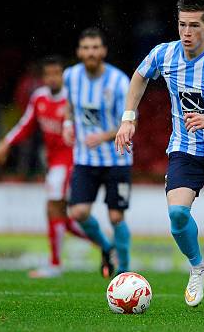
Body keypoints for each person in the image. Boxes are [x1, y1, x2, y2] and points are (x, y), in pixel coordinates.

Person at [115, 0, 204, 313]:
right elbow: (139, 76)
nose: (186, 32)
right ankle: (197, 267)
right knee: (177, 214)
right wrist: (128, 118)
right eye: (182, 25)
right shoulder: (165, 54)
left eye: (193, 26)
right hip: (184, 149)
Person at [0, 56, 87, 278]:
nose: (52, 78)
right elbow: (26, 124)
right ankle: (105, 244)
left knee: (54, 208)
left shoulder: (73, 99)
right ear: (43, 77)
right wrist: (5, 144)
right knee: (63, 214)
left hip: (71, 160)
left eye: (56, 73)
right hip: (53, 162)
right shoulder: (39, 98)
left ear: (64, 76)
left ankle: (55, 264)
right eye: (48, 74)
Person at [62, 28, 133, 278]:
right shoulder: (70, 76)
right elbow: (69, 108)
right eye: (86, 48)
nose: (90, 52)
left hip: (117, 157)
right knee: (78, 212)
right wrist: (67, 125)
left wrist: (103, 136)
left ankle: (124, 271)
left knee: (116, 216)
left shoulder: (119, 82)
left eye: (95, 47)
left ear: (103, 51)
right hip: (85, 159)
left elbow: (130, 121)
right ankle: (107, 247)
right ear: (79, 52)